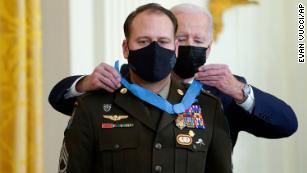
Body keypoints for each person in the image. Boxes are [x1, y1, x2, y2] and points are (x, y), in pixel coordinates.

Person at [50, 3, 298, 148]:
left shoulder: (224, 91)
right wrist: (84, 84)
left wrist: (241, 92)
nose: (189, 45)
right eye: (181, 38)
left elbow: (286, 125)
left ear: (209, 48)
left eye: (198, 40)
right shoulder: (123, 80)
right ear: (169, 41)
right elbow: (59, 98)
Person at [58, 3, 232, 173]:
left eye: (163, 41)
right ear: (126, 48)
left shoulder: (209, 107)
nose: (154, 49)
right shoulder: (92, 107)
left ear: (176, 48)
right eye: (143, 41)